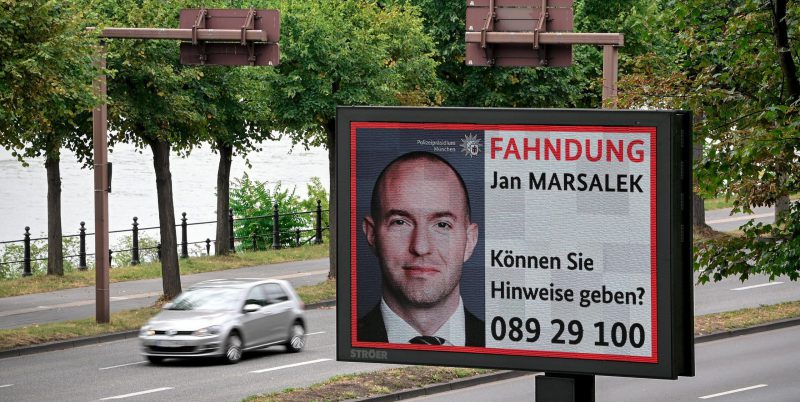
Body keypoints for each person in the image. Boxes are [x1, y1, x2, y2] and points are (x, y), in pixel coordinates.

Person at [358, 151, 483, 347]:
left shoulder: (508, 344)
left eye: (442, 225)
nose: (420, 247)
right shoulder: (358, 340)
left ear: (470, 240)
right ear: (371, 234)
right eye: (400, 222)